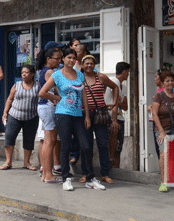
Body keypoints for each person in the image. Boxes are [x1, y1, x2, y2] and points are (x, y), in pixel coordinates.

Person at [39, 48, 105, 191]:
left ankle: (90, 178)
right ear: (62, 59)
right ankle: (66, 178)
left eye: (73, 58)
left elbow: (84, 96)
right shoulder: (57, 75)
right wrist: (58, 98)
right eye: (68, 57)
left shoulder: (80, 75)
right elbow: (42, 92)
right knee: (66, 146)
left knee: (86, 146)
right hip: (63, 114)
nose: (70, 60)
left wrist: (87, 115)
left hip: (78, 115)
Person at [78, 55, 118, 184]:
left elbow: (115, 87)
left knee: (103, 144)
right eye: (86, 63)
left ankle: (105, 173)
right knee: (86, 146)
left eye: (91, 63)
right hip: (84, 115)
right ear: (82, 65)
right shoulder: (78, 78)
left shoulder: (101, 77)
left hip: (100, 114)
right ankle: (86, 173)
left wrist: (115, 102)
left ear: (95, 65)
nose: (89, 65)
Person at [0, 65, 40, 170]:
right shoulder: (16, 85)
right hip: (14, 115)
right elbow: (9, 99)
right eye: (22, 72)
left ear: (32, 74)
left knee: (29, 140)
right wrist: (5, 112)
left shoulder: (38, 86)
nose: (24, 74)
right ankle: (8, 162)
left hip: (31, 117)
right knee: (9, 137)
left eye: (27, 72)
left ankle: (27, 163)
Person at [152, 71, 174, 192]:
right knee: (164, 154)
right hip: (163, 130)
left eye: (171, 80)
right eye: (167, 81)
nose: (170, 83)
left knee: (173, 156)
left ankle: (171, 177)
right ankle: (163, 182)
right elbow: (154, 114)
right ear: (162, 83)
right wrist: (161, 131)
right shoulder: (159, 96)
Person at [37, 48, 63, 182]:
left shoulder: (43, 71)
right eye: (57, 59)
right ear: (49, 59)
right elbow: (43, 92)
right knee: (50, 141)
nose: (59, 61)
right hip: (47, 106)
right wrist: (59, 98)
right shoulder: (50, 72)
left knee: (47, 141)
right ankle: (48, 175)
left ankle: (45, 173)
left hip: (43, 107)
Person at [104, 62, 130, 168]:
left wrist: (118, 101)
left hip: (120, 117)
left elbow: (125, 106)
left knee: (119, 146)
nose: (128, 74)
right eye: (128, 72)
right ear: (124, 72)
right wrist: (114, 120)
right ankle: (111, 168)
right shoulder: (113, 83)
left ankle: (116, 168)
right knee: (112, 145)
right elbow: (116, 103)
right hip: (111, 117)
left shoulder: (123, 86)